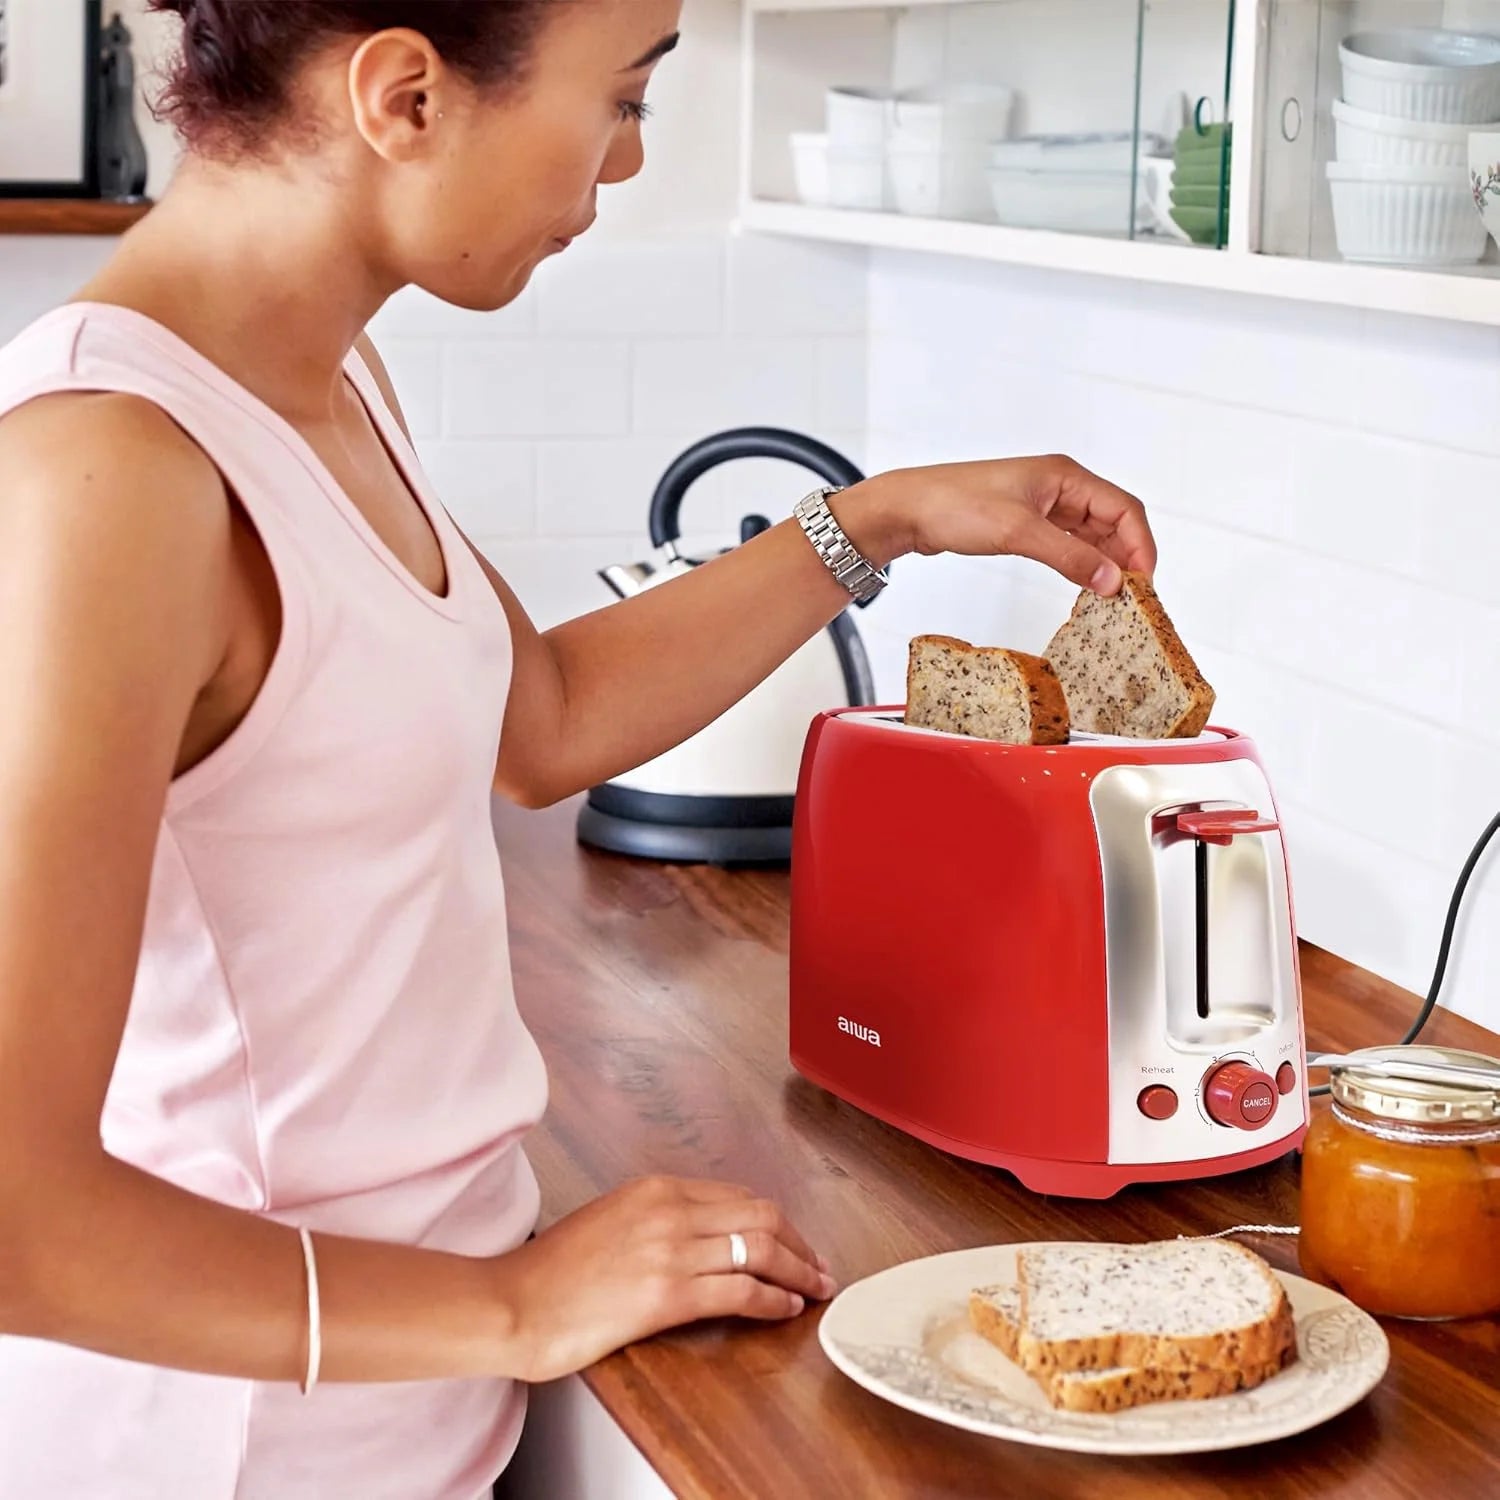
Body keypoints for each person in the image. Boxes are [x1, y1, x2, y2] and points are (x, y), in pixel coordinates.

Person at [0, 2, 1157, 1496]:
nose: (620, 164)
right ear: (405, 96)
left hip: (399, 1425)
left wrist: (881, 519)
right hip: (222, 1457)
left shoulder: (325, 385)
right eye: (622, 98)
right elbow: (19, 1221)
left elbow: (536, 718)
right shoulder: (104, 475)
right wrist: (517, 1303)